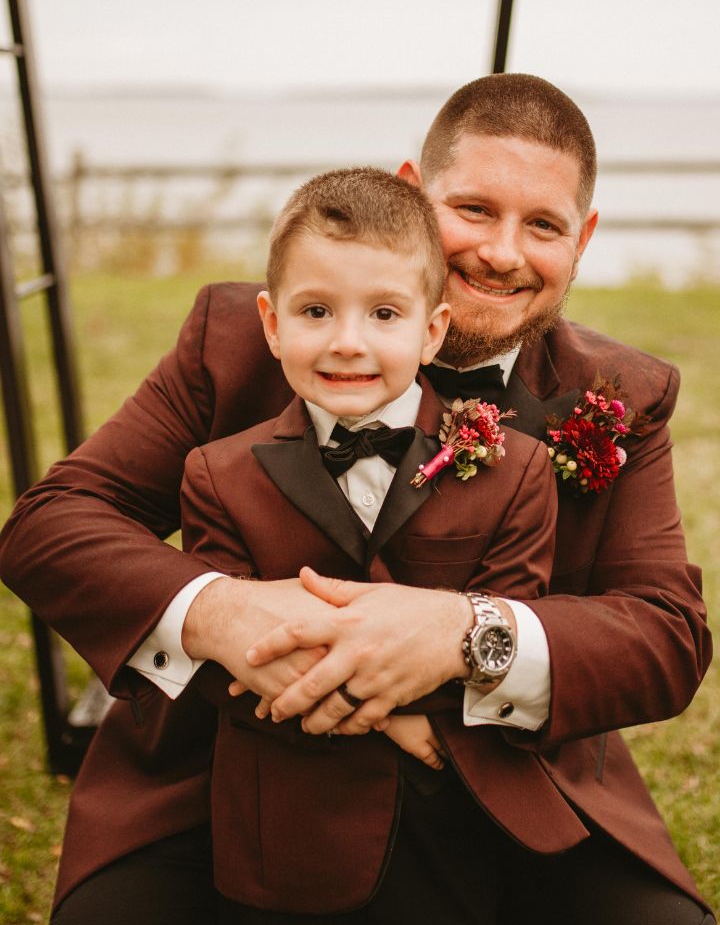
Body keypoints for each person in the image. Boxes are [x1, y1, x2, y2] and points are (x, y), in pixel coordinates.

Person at [0, 74, 713, 924]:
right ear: (412, 192)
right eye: (474, 210)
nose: (502, 253)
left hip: (507, 780)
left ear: (584, 238)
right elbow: (52, 522)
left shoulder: (617, 394)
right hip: (225, 771)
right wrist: (226, 613)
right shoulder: (242, 339)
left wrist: (464, 635)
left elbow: (665, 632)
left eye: (544, 226)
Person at [178, 165, 557, 916]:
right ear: (272, 323)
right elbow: (226, 664)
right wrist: (392, 716)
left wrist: (430, 719)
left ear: (432, 330)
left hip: (458, 816)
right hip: (288, 825)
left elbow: (508, 631)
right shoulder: (217, 475)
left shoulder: (516, 468)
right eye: (316, 310)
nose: (347, 343)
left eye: (384, 314)